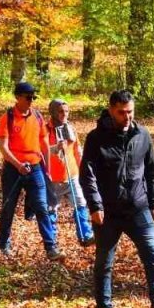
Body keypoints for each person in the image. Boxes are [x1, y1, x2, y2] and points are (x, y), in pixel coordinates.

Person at [80, 90, 154, 308]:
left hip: (138, 207)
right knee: (105, 261)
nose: (127, 117)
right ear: (111, 110)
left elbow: (151, 170)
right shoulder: (96, 138)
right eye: (122, 112)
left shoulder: (142, 135)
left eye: (130, 112)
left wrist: (152, 202)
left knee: (153, 254)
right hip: (108, 211)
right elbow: (87, 174)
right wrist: (95, 205)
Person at [0, 82, 60, 259]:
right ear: (18, 97)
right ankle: (3, 243)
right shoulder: (7, 118)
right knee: (8, 207)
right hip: (13, 170)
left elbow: (44, 144)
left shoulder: (38, 117)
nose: (31, 101)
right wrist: (18, 165)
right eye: (28, 97)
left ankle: (51, 247)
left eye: (33, 98)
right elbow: (4, 148)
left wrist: (47, 169)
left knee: (41, 206)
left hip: (35, 168)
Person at [46, 99, 94, 246]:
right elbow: (40, 151)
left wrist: (83, 171)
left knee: (80, 203)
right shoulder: (45, 129)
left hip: (72, 174)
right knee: (51, 209)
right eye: (61, 111)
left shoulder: (71, 128)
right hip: (53, 177)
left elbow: (77, 150)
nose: (64, 114)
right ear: (53, 112)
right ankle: (51, 240)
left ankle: (85, 235)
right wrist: (55, 147)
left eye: (66, 111)